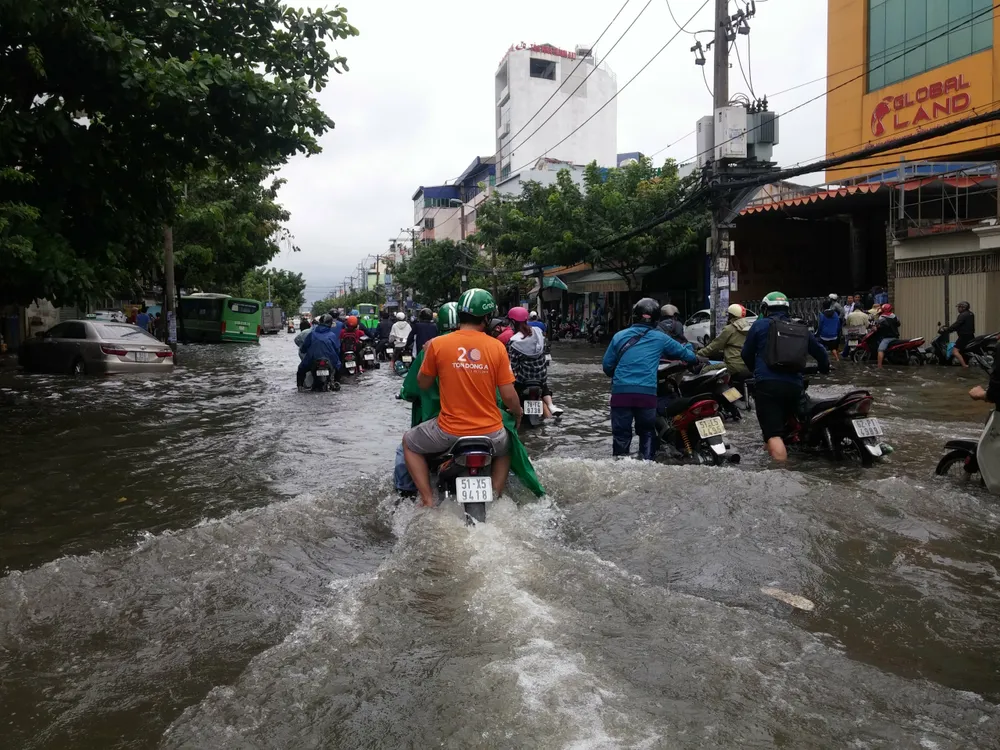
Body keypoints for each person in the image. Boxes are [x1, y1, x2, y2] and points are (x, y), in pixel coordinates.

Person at [396, 301, 545, 499]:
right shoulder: (497, 347)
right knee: (509, 442)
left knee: (407, 442)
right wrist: (517, 414)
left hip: (446, 430)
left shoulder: (434, 346)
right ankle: (497, 496)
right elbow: (507, 395)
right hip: (490, 431)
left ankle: (426, 498)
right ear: (487, 318)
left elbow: (418, 386)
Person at [602, 298, 700, 460]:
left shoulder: (619, 336)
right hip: (646, 394)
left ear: (634, 317)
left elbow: (607, 367)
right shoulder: (660, 338)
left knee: (621, 436)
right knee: (647, 432)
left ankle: (619, 467)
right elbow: (686, 354)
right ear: (656, 320)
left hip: (621, 394)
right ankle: (646, 464)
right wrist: (696, 359)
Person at [741, 291, 830, 462]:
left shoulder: (759, 326)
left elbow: (746, 354)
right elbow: (820, 352)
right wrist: (824, 368)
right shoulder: (800, 327)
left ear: (765, 309)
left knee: (773, 434)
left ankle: (782, 474)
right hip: (795, 385)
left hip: (767, 386)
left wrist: (756, 372)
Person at [507, 307, 561, 419]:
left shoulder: (514, 341)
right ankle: (551, 406)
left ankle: (513, 408)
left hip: (524, 379)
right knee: (544, 386)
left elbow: (513, 366)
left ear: (513, 322)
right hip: (541, 377)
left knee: (511, 386)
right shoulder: (538, 333)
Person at [696, 303, 753, 380]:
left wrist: (699, 353)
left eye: (728, 315)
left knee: (705, 370)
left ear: (732, 315)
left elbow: (715, 345)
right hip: (748, 365)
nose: (727, 317)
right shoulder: (749, 327)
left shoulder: (730, 329)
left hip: (733, 366)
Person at [297, 314, 341, 388]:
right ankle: (336, 383)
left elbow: (304, 347)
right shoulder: (332, 335)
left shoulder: (312, 334)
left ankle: (300, 386)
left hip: (312, 359)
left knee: (301, 369)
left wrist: (303, 350)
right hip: (330, 359)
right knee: (338, 367)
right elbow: (337, 349)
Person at [943, 301, 976, 368]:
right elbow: (962, 325)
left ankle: (964, 365)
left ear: (963, 307)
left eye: (959, 307)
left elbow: (957, 324)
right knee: (964, 351)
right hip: (970, 335)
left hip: (964, 337)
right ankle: (966, 362)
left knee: (955, 351)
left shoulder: (962, 315)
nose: (958, 309)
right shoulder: (971, 314)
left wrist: (948, 329)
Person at [872, 303, 901, 369]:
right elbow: (898, 324)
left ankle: (879, 366)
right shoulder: (894, 316)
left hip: (887, 338)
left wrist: (875, 328)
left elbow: (877, 326)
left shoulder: (882, 317)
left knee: (880, 350)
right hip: (895, 337)